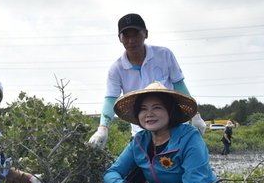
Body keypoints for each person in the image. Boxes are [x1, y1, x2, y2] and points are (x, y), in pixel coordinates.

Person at [104, 81, 219, 183]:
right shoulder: (140, 141)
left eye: (157, 107)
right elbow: (111, 172)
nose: (149, 114)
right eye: (143, 109)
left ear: (170, 111)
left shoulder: (189, 138)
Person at [88, 13, 206, 150]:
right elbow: (110, 100)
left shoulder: (164, 55)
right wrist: (103, 129)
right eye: (126, 36)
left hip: (174, 126)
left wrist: (195, 116)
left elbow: (179, 85)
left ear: (146, 34)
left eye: (136, 34)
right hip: (142, 131)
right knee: (136, 168)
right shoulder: (116, 69)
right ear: (120, 39)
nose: (131, 40)